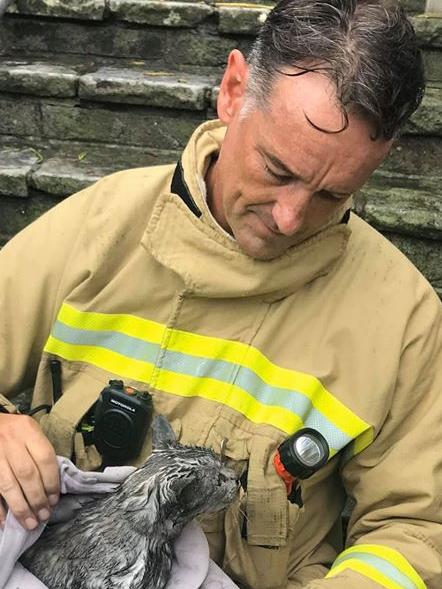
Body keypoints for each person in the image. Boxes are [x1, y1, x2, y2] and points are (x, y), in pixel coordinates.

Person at [0, 0, 440, 587]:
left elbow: (413, 529)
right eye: (277, 170)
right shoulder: (96, 227)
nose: (289, 218)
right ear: (233, 90)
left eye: (333, 194)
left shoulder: (405, 319)